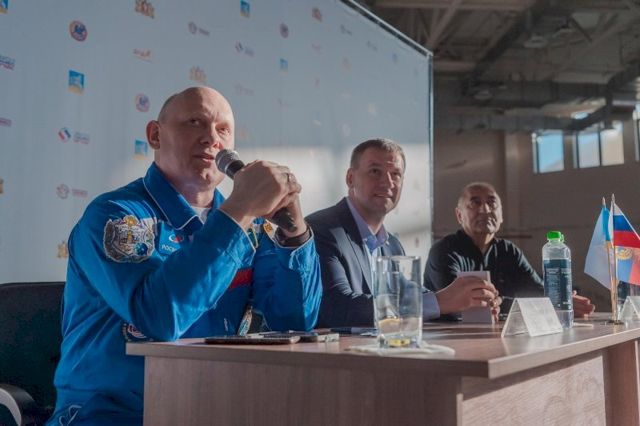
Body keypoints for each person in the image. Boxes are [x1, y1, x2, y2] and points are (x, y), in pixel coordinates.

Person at [47, 86, 322, 425]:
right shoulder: (115, 216)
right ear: (155, 135)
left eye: (223, 129)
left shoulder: (250, 226)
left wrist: (295, 234)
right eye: (194, 122)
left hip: (213, 408)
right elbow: (160, 318)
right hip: (115, 414)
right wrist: (239, 210)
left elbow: (293, 324)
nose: (212, 138)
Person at [306, 139, 500, 327]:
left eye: (396, 174)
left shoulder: (391, 243)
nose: (387, 182)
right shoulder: (321, 230)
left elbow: (407, 295)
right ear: (350, 178)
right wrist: (440, 302)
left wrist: (469, 301)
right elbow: (338, 307)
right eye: (375, 171)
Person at [424, 181, 595, 318]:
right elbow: (460, 305)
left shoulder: (508, 251)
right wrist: (545, 304)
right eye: (475, 203)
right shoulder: (444, 251)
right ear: (459, 215)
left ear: (501, 215)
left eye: (492, 203)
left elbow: (540, 292)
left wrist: (561, 300)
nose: (485, 210)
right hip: (451, 337)